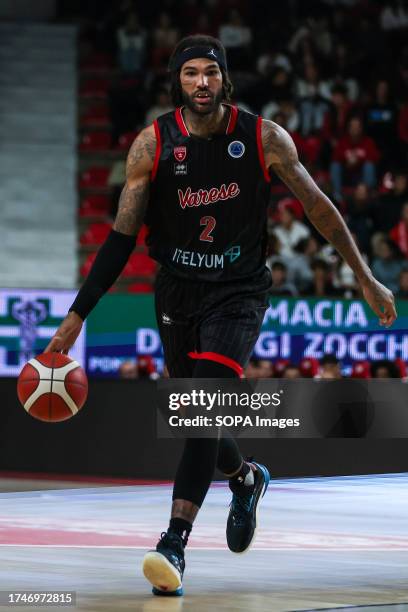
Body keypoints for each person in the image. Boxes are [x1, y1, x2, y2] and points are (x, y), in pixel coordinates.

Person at [45, 34, 396, 597]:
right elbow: (119, 239)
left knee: (204, 406)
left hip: (238, 292)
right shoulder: (151, 145)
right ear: (177, 82)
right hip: (176, 291)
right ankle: (246, 477)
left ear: (224, 79)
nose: (202, 82)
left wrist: (363, 275)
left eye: (211, 72)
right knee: (196, 417)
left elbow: (318, 208)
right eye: (191, 74)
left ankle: (174, 544)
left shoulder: (263, 138)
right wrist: (78, 314)